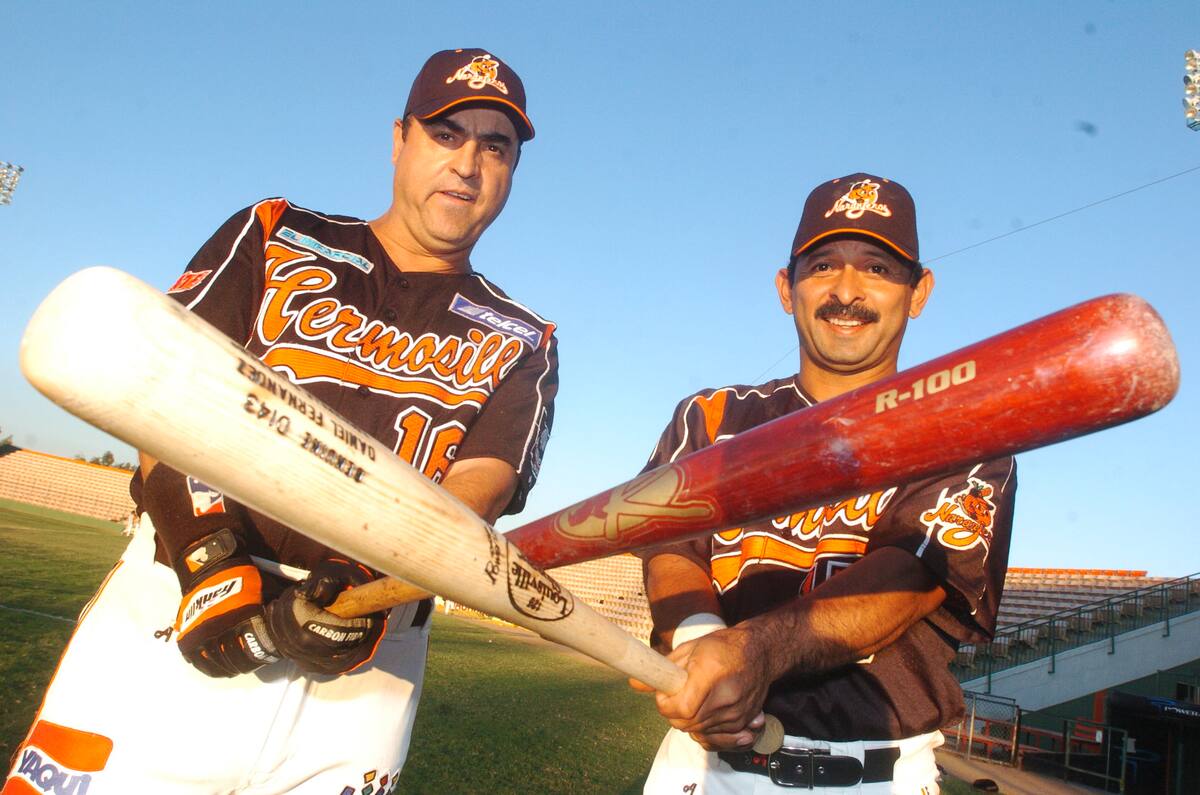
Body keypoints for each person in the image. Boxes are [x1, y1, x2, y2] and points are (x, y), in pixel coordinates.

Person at [5, 48, 557, 795]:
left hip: (369, 659)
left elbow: (481, 486)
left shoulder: (524, 336)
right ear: (400, 139)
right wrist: (205, 556)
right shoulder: (275, 232)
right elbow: (160, 389)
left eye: (496, 147)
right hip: (176, 604)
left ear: (513, 170)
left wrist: (374, 578)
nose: (467, 164)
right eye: (446, 133)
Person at [636, 174, 1015, 794]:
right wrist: (703, 643)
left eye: (877, 268)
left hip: (874, 777)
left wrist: (750, 653)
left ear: (919, 292)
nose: (846, 291)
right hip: (703, 770)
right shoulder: (713, 417)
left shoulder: (962, 430)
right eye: (822, 266)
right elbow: (670, 545)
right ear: (787, 289)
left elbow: (909, 579)